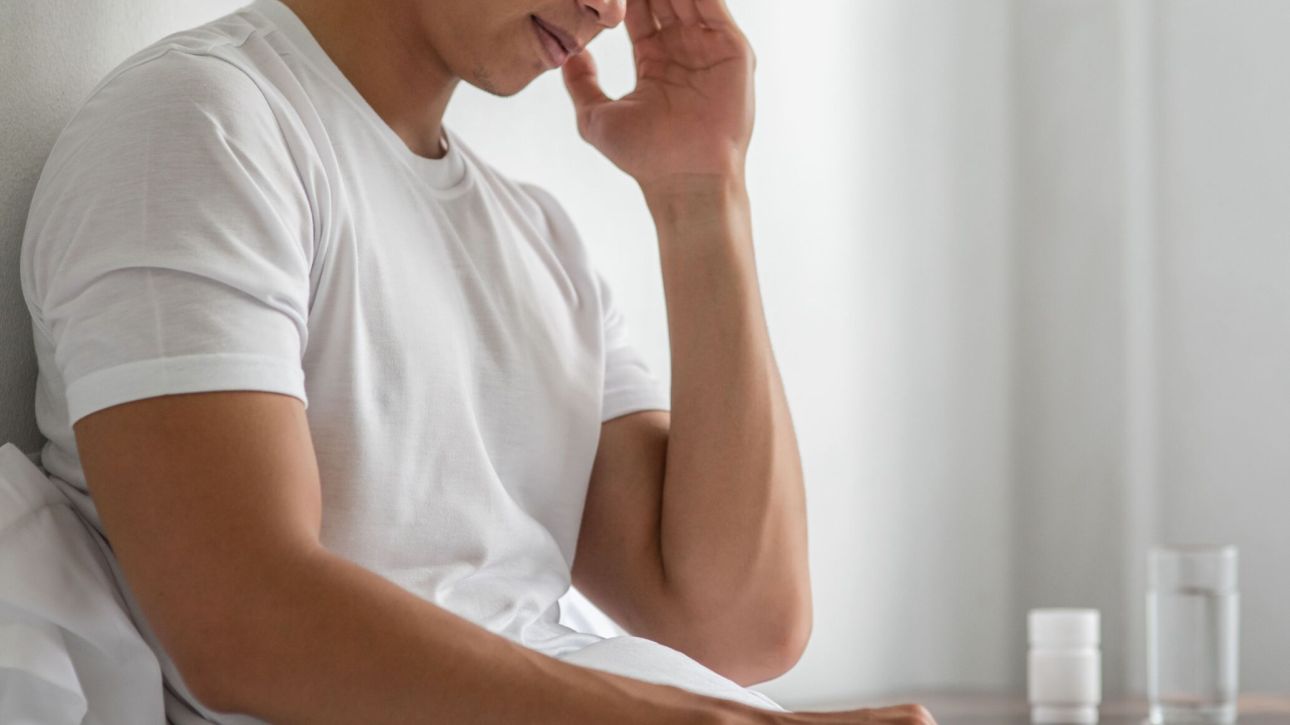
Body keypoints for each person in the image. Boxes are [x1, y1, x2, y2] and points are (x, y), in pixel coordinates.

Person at [19, 0, 937, 722]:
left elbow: (738, 626)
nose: (608, 10)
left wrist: (703, 193)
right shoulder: (201, 127)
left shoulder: (538, 240)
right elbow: (243, 622)